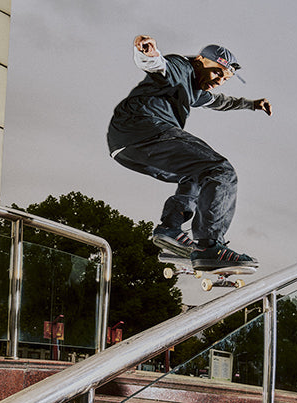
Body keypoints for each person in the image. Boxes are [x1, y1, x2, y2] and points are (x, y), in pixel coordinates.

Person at [107, 35, 272, 270]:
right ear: (201, 60)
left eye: (225, 78)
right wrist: (147, 53)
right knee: (220, 171)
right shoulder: (181, 67)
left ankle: (170, 228)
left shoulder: (196, 89)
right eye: (217, 72)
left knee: (196, 176)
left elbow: (221, 102)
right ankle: (209, 245)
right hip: (146, 129)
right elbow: (159, 65)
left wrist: (251, 104)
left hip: (124, 146)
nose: (219, 81)